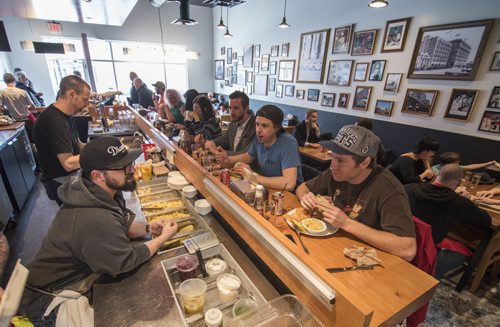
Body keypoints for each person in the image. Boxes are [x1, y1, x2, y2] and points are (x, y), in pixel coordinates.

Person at [20, 136, 178, 325]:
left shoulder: (94, 191)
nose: (132, 170)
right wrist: (162, 238)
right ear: (97, 175)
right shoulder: (93, 217)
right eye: (124, 167)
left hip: (68, 281)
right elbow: (124, 261)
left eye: (130, 163)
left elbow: (120, 225)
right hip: (50, 300)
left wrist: (147, 228)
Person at [296, 125, 416, 261]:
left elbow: (408, 249)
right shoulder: (335, 173)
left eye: (341, 160)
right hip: (332, 249)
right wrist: (306, 197)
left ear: (365, 162)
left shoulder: (389, 189)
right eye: (332, 157)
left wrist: (346, 223)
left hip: (366, 263)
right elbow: (302, 188)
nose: (332, 166)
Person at [404, 164, 491, 278]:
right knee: (461, 254)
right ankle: (426, 278)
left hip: (402, 237)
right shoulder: (458, 202)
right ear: (459, 183)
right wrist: (468, 200)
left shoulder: (410, 188)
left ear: (436, 176)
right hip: (426, 247)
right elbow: (486, 220)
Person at [216, 105, 303, 191]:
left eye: (264, 126)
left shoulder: (288, 143)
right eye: (257, 124)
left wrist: (253, 177)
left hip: (290, 195)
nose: (258, 130)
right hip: (268, 188)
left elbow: (289, 183)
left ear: (277, 127)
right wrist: (228, 159)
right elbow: (248, 156)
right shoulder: (260, 137)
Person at [34, 75, 90, 205]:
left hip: (69, 176)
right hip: (60, 181)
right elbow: (68, 163)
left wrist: (102, 147)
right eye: (85, 99)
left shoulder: (66, 115)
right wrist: (98, 155)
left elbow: (78, 145)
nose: (87, 104)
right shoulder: (54, 121)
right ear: (71, 94)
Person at [205, 91, 256, 156]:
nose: (231, 113)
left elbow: (246, 154)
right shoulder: (234, 121)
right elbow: (225, 139)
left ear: (246, 108)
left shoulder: (256, 126)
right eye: (230, 108)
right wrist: (210, 143)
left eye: (236, 108)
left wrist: (217, 151)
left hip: (245, 165)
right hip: (230, 164)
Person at [0, 73, 35, 140]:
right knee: (34, 139)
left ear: (5, 81)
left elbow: (1, 108)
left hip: (15, 122)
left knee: (23, 142)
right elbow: (33, 106)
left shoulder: (2, 93)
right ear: (14, 80)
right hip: (27, 119)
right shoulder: (22, 92)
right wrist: (26, 107)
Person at [431, 152, 499, 174]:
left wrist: (488, 163)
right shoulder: (435, 170)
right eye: (456, 163)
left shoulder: (453, 167)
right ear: (447, 164)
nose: (458, 165)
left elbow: (470, 167)